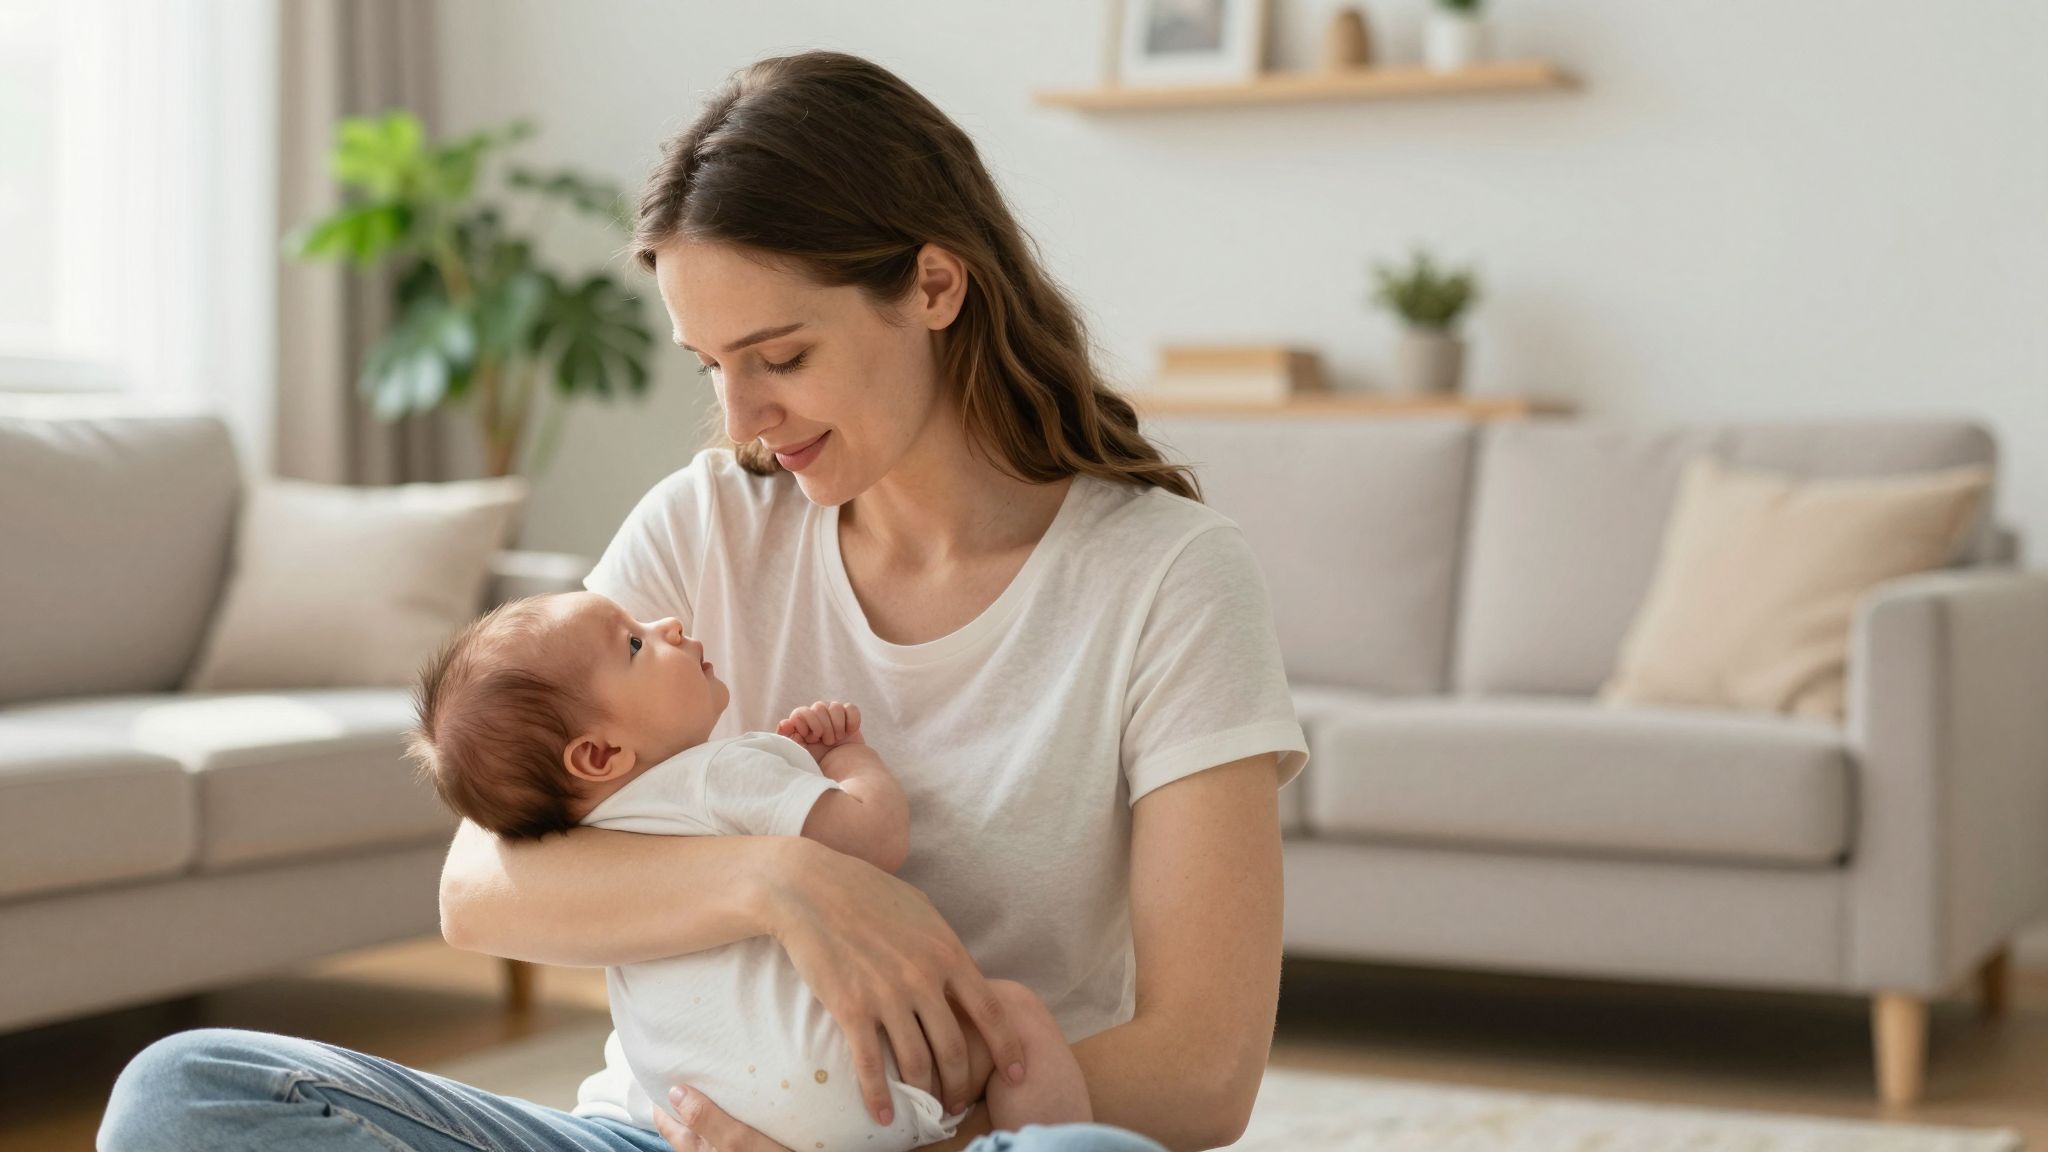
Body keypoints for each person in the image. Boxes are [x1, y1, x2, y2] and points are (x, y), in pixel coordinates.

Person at [99, 48, 1304, 1152]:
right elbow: (478, 887)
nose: (742, 423)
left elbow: (1201, 1073)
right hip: (661, 1138)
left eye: (780, 357)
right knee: (187, 1093)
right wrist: (785, 882)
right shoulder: (707, 517)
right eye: (711, 368)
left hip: (963, 1142)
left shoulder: (1168, 581)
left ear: (934, 284)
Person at [402, 589, 1094, 1147]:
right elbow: (872, 836)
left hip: (685, 1113)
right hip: (840, 1086)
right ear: (599, 756)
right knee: (1017, 1022)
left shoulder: (585, 845)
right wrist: (851, 758)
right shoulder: (720, 774)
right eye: (636, 644)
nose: (668, 622)